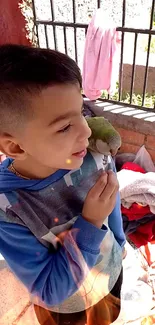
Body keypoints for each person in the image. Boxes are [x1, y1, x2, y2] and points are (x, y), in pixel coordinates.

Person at [0, 44, 126, 325]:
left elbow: (111, 198)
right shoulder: (8, 209)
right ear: (14, 146)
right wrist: (90, 222)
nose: (86, 130)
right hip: (68, 310)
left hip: (109, 278)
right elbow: (48, 289)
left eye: (81, 112)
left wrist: (119, 242)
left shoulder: (93, 156)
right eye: (64, 127)